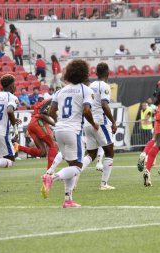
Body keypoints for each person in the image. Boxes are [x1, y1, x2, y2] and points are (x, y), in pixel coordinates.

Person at [41, 59, 98, 208]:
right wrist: (93, 123)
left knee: (71, 165)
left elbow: (51, 112)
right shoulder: (86, 90)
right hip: (73, 131)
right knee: (77, 167)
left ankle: (68, 200)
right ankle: (51, 178)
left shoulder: (61, 90)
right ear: (84, 73)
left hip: (59, 129)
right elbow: (86, 110)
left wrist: (60, 122)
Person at [77, 62, 117, 190]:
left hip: (88, 124)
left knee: (91, 154)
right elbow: (104, 105)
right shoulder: (104, 86)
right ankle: (104, 184)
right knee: (110, 152)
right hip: (100, 123)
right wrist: (113, 122)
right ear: (107, 72)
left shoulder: (90, 85)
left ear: (96, 73)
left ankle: (75, 174)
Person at [14, 95, 58, 171]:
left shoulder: (40, 104)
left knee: (42, 152)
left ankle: (17, 147)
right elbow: (43, 115)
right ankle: (49, 173)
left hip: (32, 125)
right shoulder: (51, 101)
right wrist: (55, 124)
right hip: (39, 123)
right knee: (53, 145)